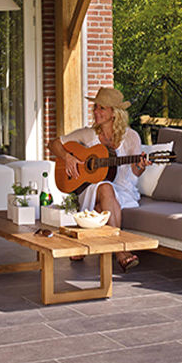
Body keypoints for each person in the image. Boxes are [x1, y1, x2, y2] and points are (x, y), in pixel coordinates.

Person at [48, 87, 151, 272]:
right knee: (104, 187)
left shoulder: (131, 137)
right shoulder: (88, 134)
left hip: (123, 190)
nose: (96, 111)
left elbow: (135, 172)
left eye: (101, 108)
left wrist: (141, 166)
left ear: (114, 113)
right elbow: (53, 144)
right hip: (91, 188)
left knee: (102, 202)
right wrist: (67, 157)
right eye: (95, 107)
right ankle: (120, 251)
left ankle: (85, 242)